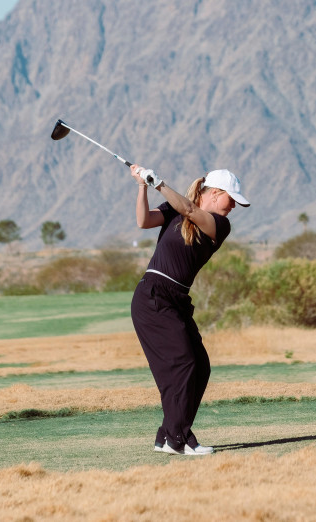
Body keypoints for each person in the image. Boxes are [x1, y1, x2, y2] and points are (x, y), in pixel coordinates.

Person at [129, 163, 250, 456]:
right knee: (183, 364)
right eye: (231, 199)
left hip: (177, 299)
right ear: (215, 193)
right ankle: (178, 439)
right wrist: (143, 185)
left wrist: (159, 183)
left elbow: (191, 211)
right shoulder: (175, 209)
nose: (233, 206)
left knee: (200, 366)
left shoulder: (219, 225)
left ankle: (168, 435)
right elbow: (143, 221)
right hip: (153, 296)